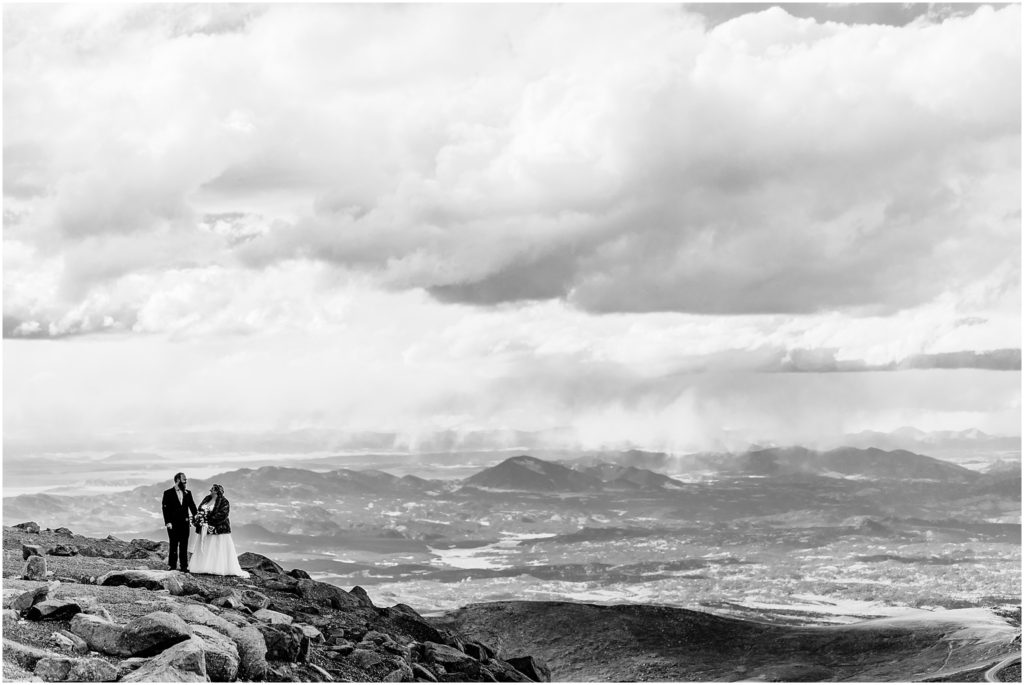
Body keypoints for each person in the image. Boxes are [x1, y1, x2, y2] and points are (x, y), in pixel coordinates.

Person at [189, 484, 248, 577]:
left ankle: (216, 567)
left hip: (219, 529)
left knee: (216, 547)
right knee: (206, 546)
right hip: (205, 528)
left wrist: (209, 521)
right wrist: (200, 518)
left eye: (212, 489)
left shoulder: (224, 502)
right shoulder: (206, 499)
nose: (210, 490)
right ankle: (203, 566)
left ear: (216, 491)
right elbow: (200, 509)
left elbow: (223, 514)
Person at [161, 472, 198, 573]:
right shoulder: (168, 493)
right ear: (178, 480)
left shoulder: (188, 493)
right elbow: (165, 509)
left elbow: (192, 506)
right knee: (173, 545)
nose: (186, 481)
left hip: (185, 524)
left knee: (184, 545)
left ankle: (184, 567)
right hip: (172, 524)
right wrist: (168, 522)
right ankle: (172, 566)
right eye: (184, 479)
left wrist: (197, 516)